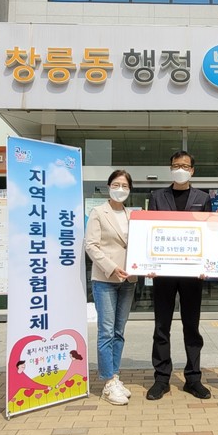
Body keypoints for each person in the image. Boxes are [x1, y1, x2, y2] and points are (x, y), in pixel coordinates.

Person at [146, 151, 212, 400]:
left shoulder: (203, 198)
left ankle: (193, 378)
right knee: (161, 326)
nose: (180, 169)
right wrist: (148, 262)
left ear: (192, 170)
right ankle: (161, 379)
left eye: (185, 166)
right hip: (163, 272)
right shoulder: (157, 197)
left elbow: (208, 235)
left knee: (191, 326)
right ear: (170, 168)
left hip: (193, 274)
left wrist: (208, 265)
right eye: (176, 165)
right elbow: (150, 232)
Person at [85, 170, 137, 405]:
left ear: (130, 189)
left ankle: (115, 376)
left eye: (124, 186)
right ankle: (108, 382)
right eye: (116, 185)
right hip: (105, 279)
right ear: (108, 187)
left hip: (128, 279)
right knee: (106, 331)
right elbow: (91, 245)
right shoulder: (98, 212)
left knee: (119, 330)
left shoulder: (132, 215)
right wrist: (111, 267)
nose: (120, 189)